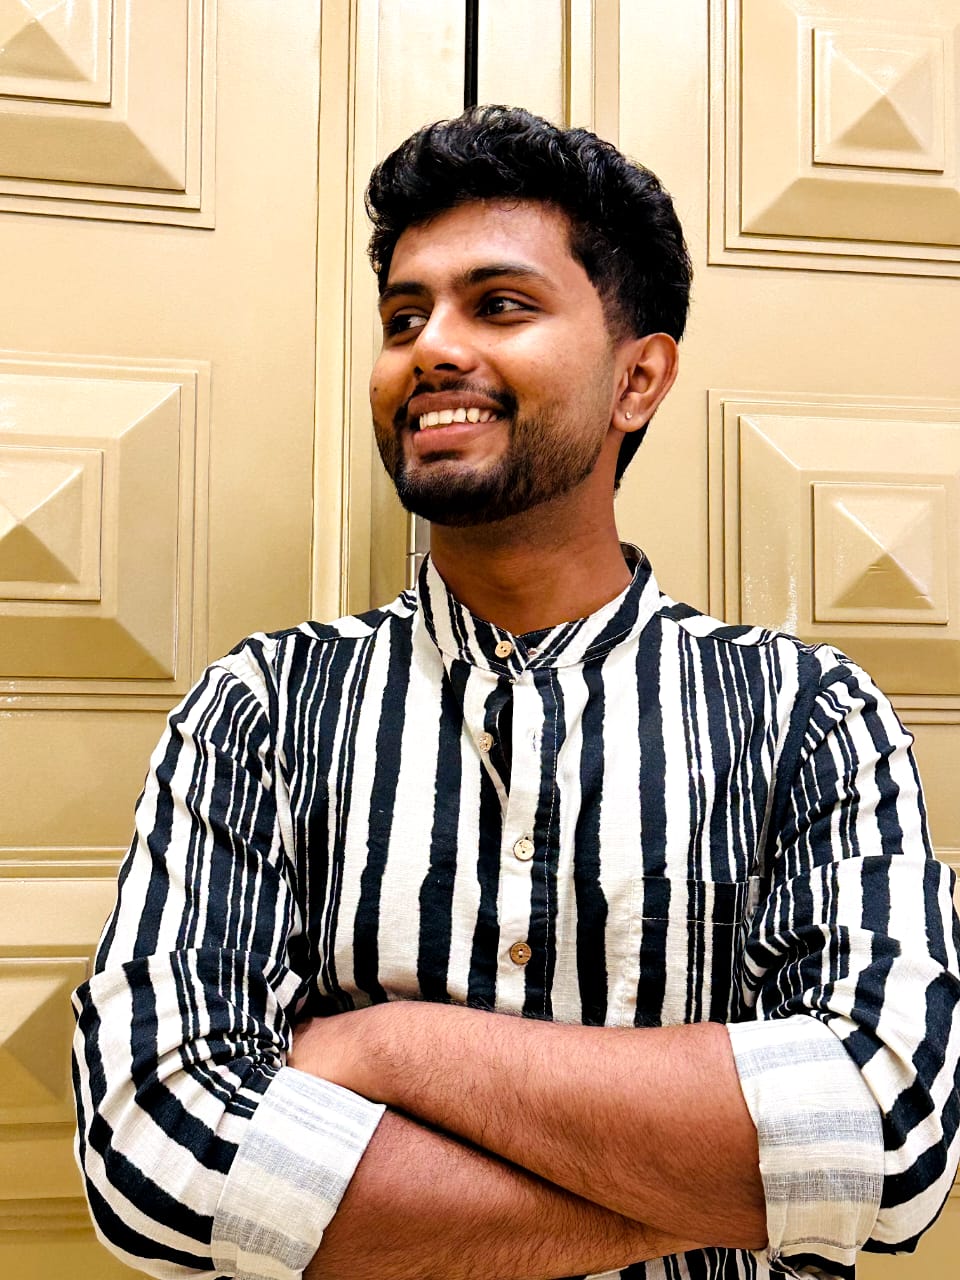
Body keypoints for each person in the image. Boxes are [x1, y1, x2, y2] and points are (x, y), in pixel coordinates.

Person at [73, 106, 960, 1280]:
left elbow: (889, 1138)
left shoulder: (809, 717)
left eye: (497, 304)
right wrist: (732, 1188)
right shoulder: (259, 711)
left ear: (637, 377)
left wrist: (387, 1046)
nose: (430, 348)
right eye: (404, 316)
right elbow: (154, 1155)